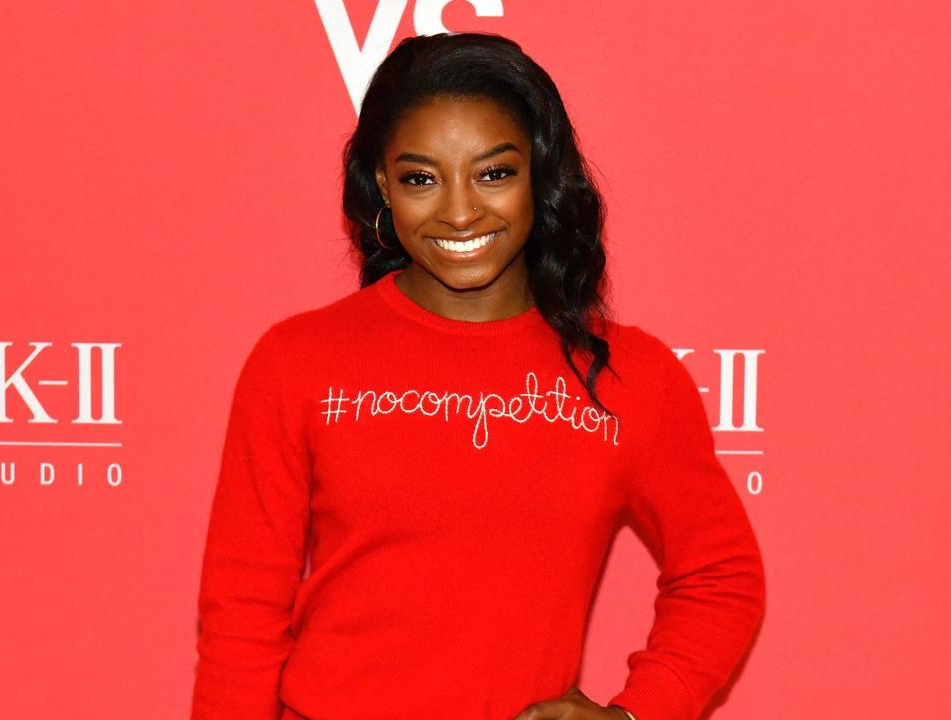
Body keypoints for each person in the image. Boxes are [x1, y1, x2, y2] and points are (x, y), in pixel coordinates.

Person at [190, 31, 765, 720]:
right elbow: (242, 619)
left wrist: (638, 713)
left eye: (493, 173)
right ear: (382, 184)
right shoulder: (297, 361)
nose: (459, 212)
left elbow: (723, 575)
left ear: (540, 174)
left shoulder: (627, 375)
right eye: (420, 178)